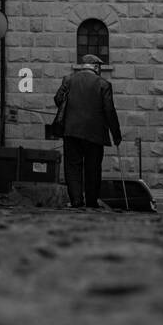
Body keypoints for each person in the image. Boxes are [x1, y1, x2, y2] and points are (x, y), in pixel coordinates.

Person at [53, 53, 122, 208]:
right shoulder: (104, 84)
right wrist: (116, 135)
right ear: (96, 67)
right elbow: (109, 111)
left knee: (72, 166)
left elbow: (57, 99)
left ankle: (76, 200)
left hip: (71, 131)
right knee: (93, 168)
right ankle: (91, 201)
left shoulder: (68, 80)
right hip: (95, 134)